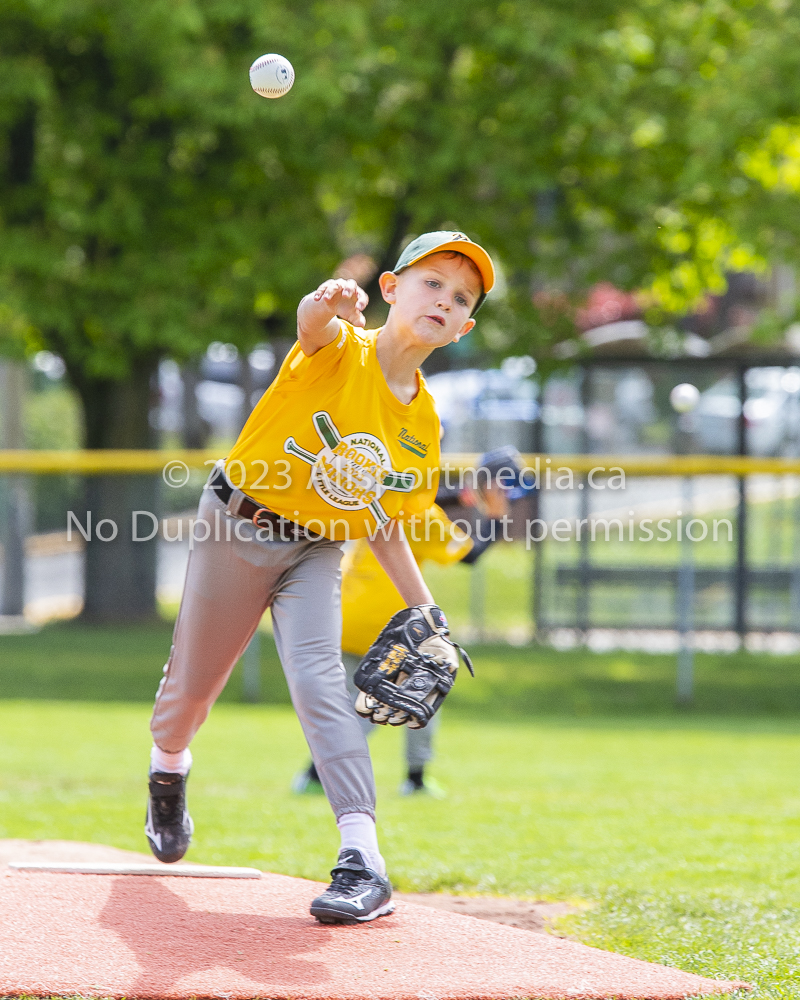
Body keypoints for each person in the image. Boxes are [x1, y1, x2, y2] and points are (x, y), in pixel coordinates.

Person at [144, 231, 495, 924]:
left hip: (317, 551)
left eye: (461, 297)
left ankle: (362, 860)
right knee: (192, 688)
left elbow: (387, 524)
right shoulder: (342, 344)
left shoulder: (423, 423)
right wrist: (325, 299)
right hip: (236, 525)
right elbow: (312, 325)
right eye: (431, 283)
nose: (444, 301)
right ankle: (168, 767)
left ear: (464, 327)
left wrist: (431, 618)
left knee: (320, 682)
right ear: (391, 289)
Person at [293, 446, 528, 798]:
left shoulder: (386, 499)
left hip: (345, 611)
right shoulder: (427, 520)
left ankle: (318, 775)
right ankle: (396, 778)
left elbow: (431, 498)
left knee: (364, 701)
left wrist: (468, 493)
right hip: (385, 620)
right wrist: (495, 516)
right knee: (410, 694)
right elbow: (471, 554)